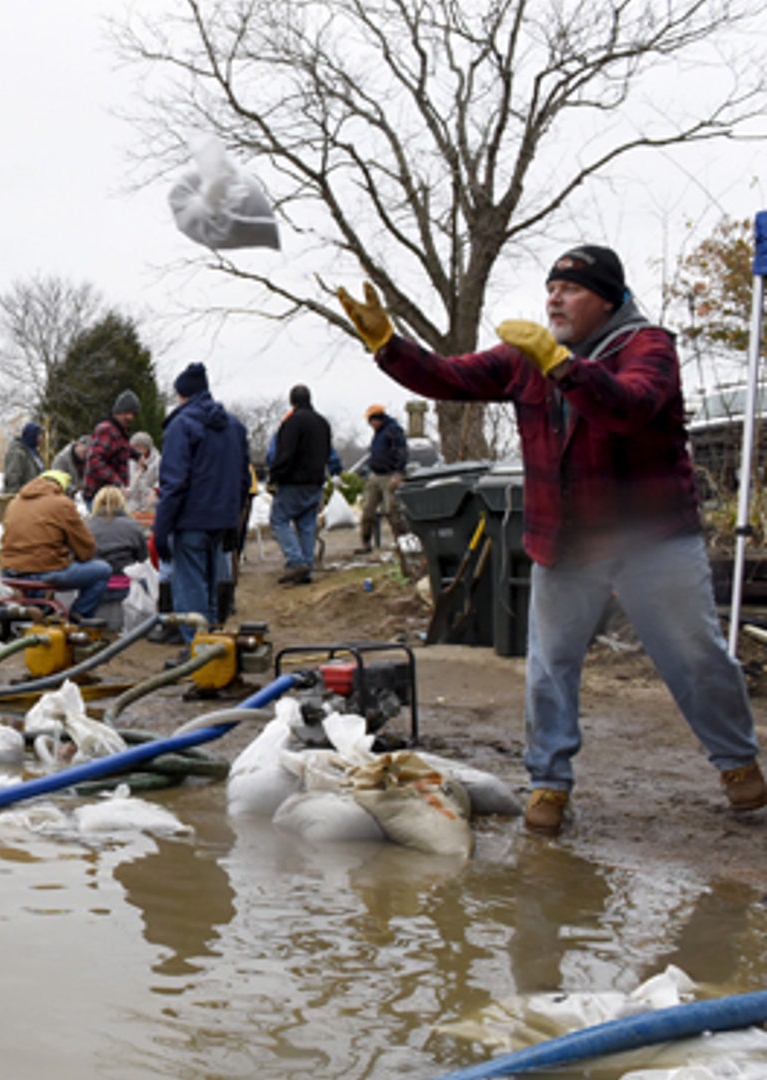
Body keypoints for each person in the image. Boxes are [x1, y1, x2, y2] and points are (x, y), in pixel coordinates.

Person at [338, 243, 765, 837]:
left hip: (652, 536)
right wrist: (388, 346)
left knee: (694, 655)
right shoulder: (524, 358)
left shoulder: (647, 347)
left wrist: (562, 365)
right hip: (565, 538)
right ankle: (549, 783)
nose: (554, 298)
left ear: (608, 299)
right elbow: (449, 376)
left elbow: (631, 408)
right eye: (550, 288)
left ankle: (738, 762)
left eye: (570, 289)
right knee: (548, 667)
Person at [153, 362, 248, 643]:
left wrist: (161, 527)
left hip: (191, 518)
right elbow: (243, 478)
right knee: (211, 583)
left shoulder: (181, 426)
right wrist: (234, 520)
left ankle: (199, 646)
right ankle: (213, 641)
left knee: (190, 586)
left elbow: (174, 482)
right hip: (222, 518)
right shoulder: (234, 427)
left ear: (182, 394)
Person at [0, 470, 112, 620]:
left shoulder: (14, 503)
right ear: (61, 487)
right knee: (102, 570)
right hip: (44, 572)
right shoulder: (62, 504)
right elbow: (86, 548)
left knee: (37, 563)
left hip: (10, 570)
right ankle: (78, 617)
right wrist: (77, 555)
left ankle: (36, 612)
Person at [269, 384, 333, 585]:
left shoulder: (292, 422)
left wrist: (275, 476)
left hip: (293, 482)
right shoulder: (323, 423)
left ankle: (296, 562)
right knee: (306, 525)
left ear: (292, 402)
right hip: (315, 481)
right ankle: (307, 569)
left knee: (278, 520)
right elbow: (328, 452)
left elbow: (285, 453)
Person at [358, 403, 408, 551]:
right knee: (368, 510)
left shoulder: (393, 431)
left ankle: (403, 541)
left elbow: (402, 452)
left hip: (390, 475)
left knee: (392, 511)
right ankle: (365, 542)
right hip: (376, 475)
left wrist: (399, 473)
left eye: (371, 420)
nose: (370, 424)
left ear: (377, 419)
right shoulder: (378, 434)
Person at [83, 390, 144, 502]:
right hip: (99, 496)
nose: (131, 417)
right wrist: (117, 483)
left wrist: (138, 455)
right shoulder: (106, 429)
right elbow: (95, 461)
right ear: (120, 411)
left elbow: (122, 447)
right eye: (129, 413)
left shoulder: (119, 431)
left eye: (134, 414)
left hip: (112, 497)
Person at [88, 485, 147, 571]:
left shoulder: (87, 526)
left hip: (97, 578)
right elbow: (143, 558)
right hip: (127, 578)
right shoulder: (133, 525)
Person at [4, 421, 46, 494]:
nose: (42, 438)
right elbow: (12, 477)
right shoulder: (16, 453)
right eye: (39, 435)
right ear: (32, 435)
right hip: (24, 497)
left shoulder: (34, 452)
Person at [124, 431, 160, 515]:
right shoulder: (129, 460)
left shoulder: (158, 460)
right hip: (132, 501)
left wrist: (155, 492)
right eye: (134, 446)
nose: (136, 449)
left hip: (149, 500)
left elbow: (162, 479)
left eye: (138, 446)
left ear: (146, 446)